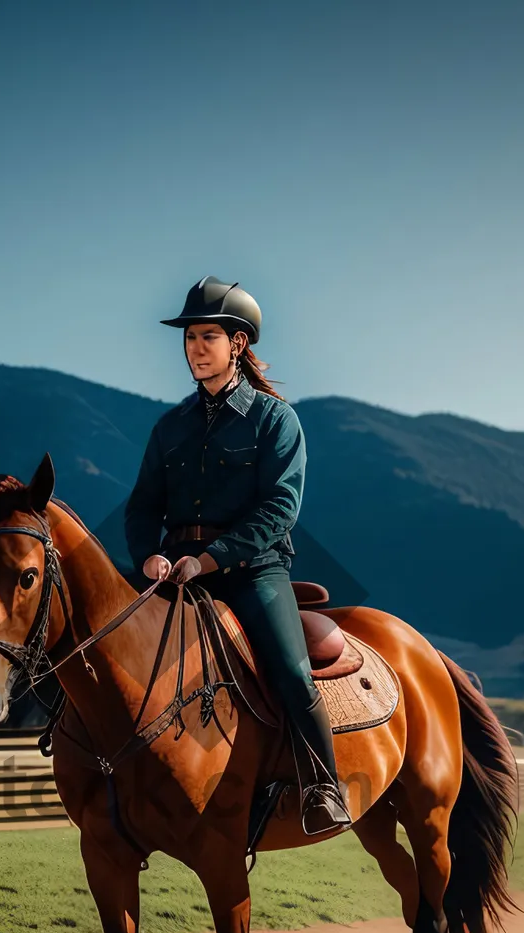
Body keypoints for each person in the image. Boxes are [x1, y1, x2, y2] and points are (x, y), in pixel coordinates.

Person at [124, 276, 352, 835]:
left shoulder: (276, 421)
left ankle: (324, 787)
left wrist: (212, 559)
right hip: (174, 572)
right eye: (189, 338)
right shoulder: (168, 426)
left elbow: (280, 507)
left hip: (254, 571)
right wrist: (147, 556)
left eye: (207, 337)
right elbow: (141, 508)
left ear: (239, 345)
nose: (195, 348)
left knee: (292, 671)